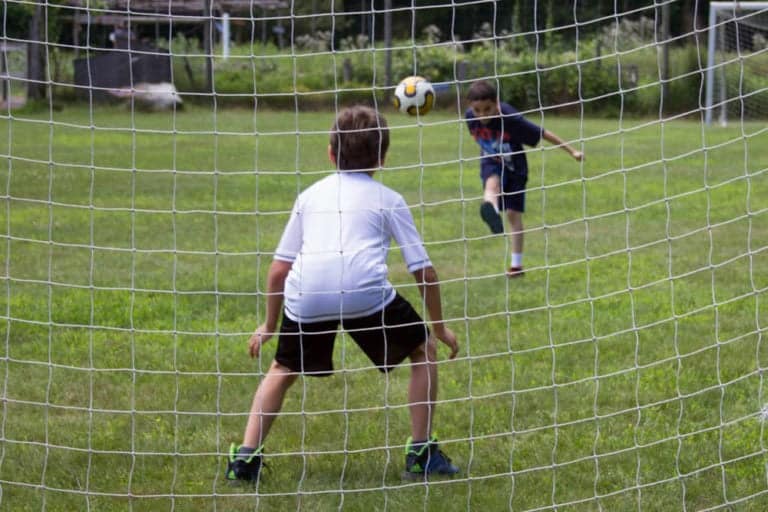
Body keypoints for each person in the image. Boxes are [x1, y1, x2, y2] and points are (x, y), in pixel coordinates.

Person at [225, 105, 460, 483]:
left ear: (331, 153)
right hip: (364, 293)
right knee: (423, 349)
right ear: (382, 158)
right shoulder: (389, 199)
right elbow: (425, 271)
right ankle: (421, 455)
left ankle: (245, 460)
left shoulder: (309, 196)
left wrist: (269, 324)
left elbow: (279, 270)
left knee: (283, 369)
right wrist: (440, 328)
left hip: (307, 295)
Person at [465, 80, 584, 277]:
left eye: (488, 109)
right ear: (470, 107)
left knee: (513, 215)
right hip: (492, 160)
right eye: (478, 110)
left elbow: (543, 133)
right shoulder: (470, 117)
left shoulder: (510, 118)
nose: (483, 115)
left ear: (496, 103)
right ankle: (491, 210)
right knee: (491, 183)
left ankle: (516, 265)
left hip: (515, 168)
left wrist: (572, 151)